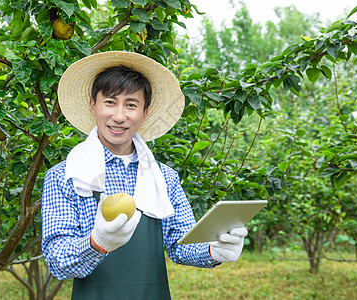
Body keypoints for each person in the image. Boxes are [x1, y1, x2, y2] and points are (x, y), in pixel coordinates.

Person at [41, 51, 248, 299]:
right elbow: (56, 261)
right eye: (109, 102)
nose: (119, 116)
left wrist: (215, 249)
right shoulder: (66, 176)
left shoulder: (164, 178)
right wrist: (96, 243)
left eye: (131, 105)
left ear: (144, 113)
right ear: (92, 106)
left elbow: (181, 246)